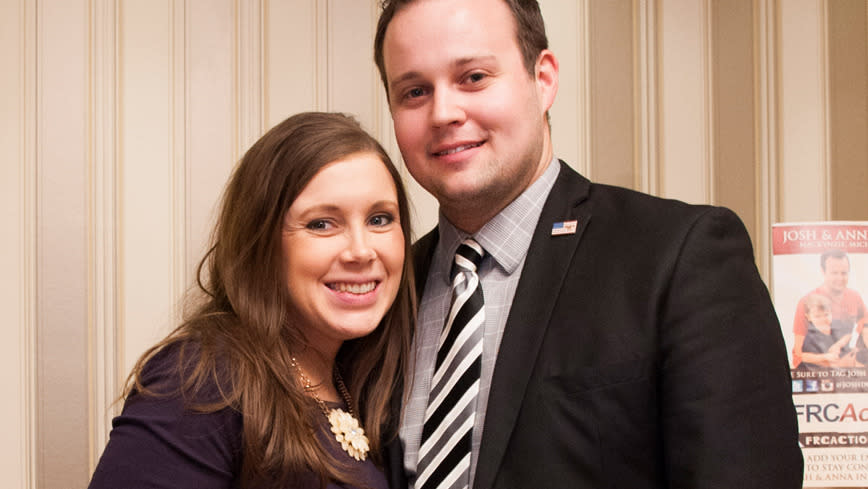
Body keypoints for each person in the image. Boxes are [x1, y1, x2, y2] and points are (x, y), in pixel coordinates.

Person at [373, 0, 803, 487]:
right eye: (414, 91)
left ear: (544, 78)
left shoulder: (679, 256)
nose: (444, 112)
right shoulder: (382, 294)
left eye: (473, 77)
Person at [88, 112, 415, 489]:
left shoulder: (362, 386)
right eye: (321, 223)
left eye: (379, 219)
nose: (360, 251)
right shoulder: (203, 381)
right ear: (262, 243)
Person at [792, 249, 867, 368]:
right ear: (823, 272)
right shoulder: (806, 302)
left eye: (844, 273)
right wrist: (826, 359)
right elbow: (797, 354)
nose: (840, 278)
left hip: (847, 371)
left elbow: (864, 326)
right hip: (816, 372)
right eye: (834, 273)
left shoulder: (855, 297)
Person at [796, 294, 861, 370]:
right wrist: (825, 357)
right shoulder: (809, 335)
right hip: (818, 368)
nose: (823, 319)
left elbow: (849, 334)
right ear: (808, 317)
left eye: (826, 315)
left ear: (831, 313)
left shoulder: (836, 324)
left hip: (839, 360)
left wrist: (838, 345)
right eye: (817, 316)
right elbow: (802, 356)